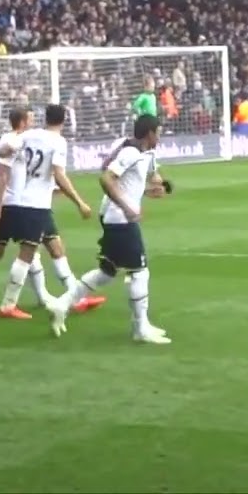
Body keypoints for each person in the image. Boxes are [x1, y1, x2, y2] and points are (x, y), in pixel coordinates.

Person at [0, 105, 100, 317]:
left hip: (24, 202)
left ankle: (53, 296)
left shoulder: (25, 137)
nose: (31, 121)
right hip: (25, 204)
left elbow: (2, 153)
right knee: (28, 252)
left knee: (34, 249)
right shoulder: (49, 140)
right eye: (28, 118)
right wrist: (79, 201)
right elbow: (46, 172)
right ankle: (11, 303)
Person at [47, 114, 172, 344]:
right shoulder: (130, 152)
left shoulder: (147, 153)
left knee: (107, 272)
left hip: (115, 216)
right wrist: (126, 206)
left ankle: (61, 304)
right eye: (159, 132)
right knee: (139, 271)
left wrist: (155, 188)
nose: (161, 137)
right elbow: (106, 178)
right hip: (119, 218)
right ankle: (140, 328)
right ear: (150, 133)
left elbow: (150, 176)